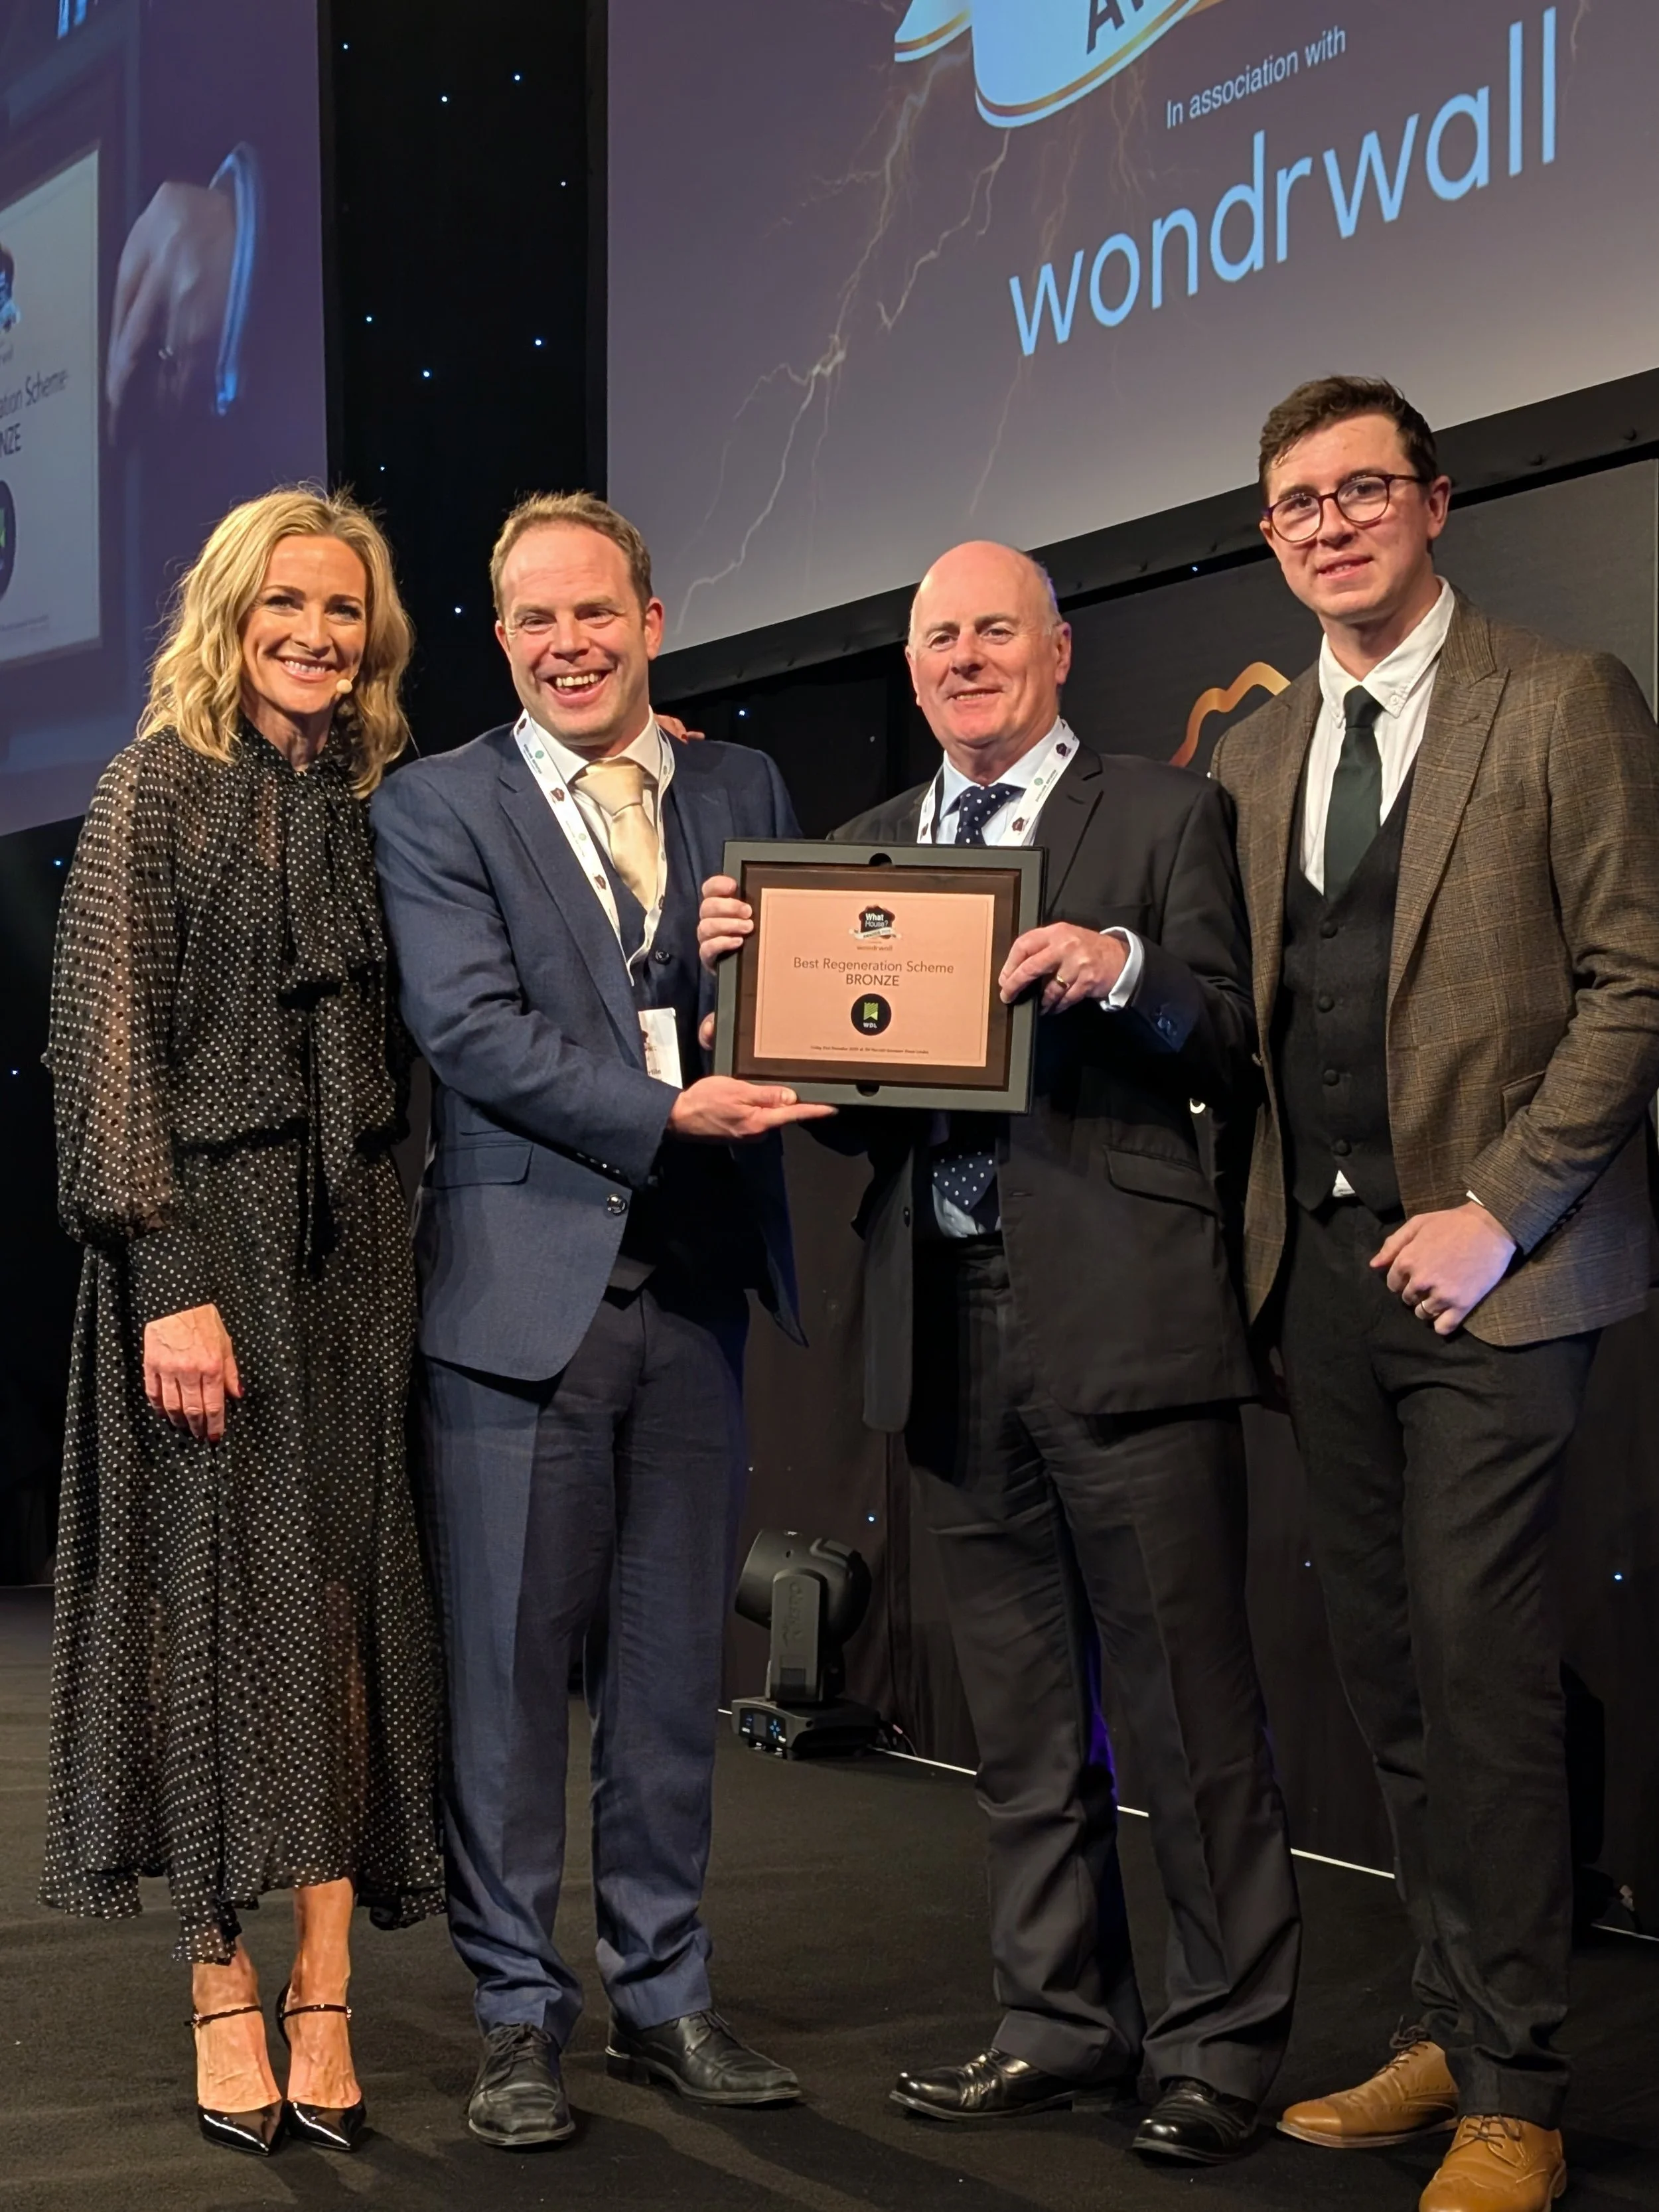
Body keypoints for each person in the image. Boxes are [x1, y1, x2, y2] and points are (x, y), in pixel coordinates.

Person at [699, 540, 1301, 2167]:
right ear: (909, 674)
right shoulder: (864, 853)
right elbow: (848, 1125)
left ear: (1055, 650)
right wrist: (753, 1012)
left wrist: (1118, 969)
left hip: (1124, 1312)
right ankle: (1057, 2024)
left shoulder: (1161, 814)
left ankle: (1220, 2044)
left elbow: (1232, 1037)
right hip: (943, 1314)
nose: (963, 656)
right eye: (935, 637)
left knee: (1183, 1706)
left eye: (991, 629)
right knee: (1026, 1718)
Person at [1210, 376, 1659, 2212]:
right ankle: (1446, 2020)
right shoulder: (1250, 755)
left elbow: (1633, 985)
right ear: (1267, 536)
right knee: (1387, 1665)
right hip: (1312, 1275)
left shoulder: (1556, 698)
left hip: (1498, 1277)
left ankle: (1516, 2089)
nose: (1330, 522)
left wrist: (1497, 1205)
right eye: (1297, 503)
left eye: (1361, 490)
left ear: (1434, 503)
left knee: (1476, 1668)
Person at [371, 491, 831, 2151]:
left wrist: (739, 1009)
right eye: (534, 621)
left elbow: (772, 999)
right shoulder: (434, 808)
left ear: (652, 617)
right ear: (501, 640)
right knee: (505, 1686)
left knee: (661, 1684)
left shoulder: (739, 785)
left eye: (595, 612)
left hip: (696, 1296)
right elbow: (471, 1033)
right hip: (517, 1310)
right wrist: (672, 1109)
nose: (568, 642)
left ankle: (662, 1993)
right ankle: (514, 2014)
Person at [44, 488, 445, 2158]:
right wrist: (165, 1278)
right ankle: (219, 1987)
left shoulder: (375, 803)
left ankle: (330, 1986)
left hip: (352, 1260)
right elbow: (101, 1045)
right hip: (198, 1252)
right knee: (206, 1615)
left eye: (343, 608)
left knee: (345, 1612)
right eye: (286, 601)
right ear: (229, 610)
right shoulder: (152, 787)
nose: (315, 632)